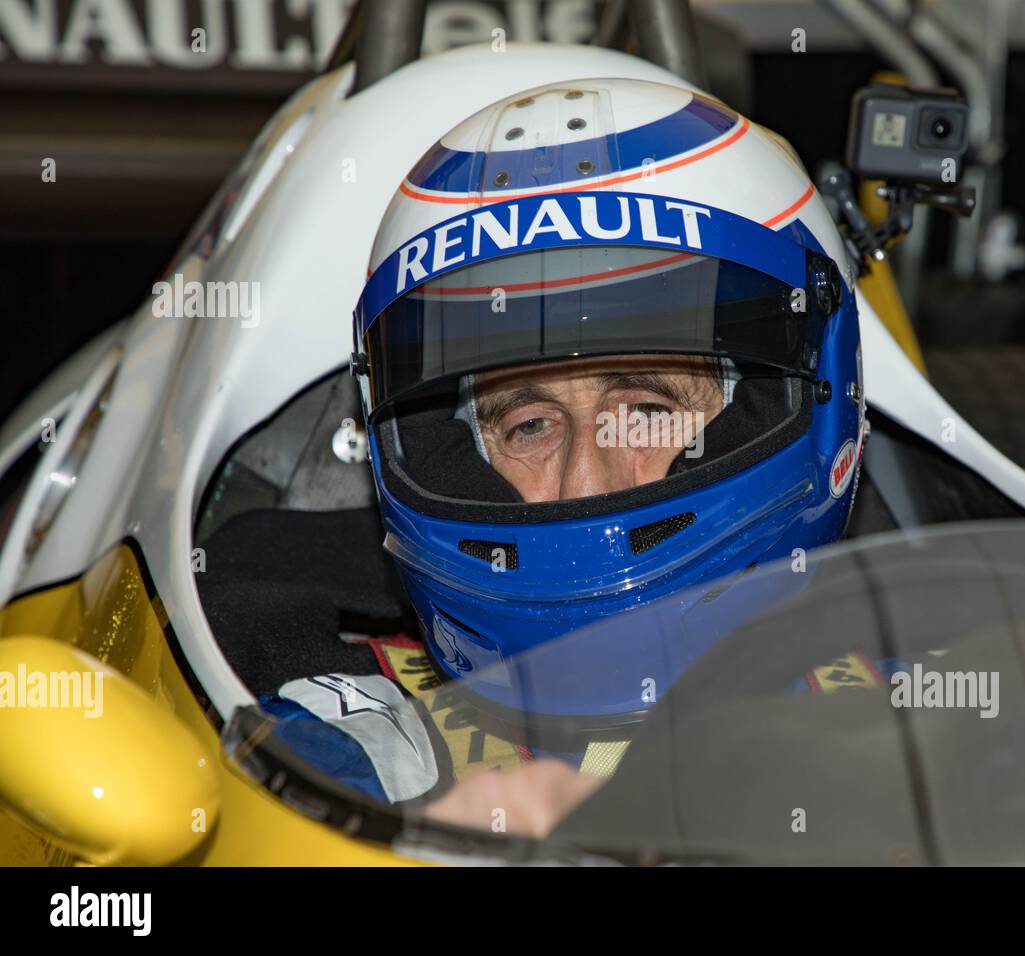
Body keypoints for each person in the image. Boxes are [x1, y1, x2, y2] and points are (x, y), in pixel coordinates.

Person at [263, 77, 867, 836]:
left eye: (646, 411)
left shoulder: (924, 724)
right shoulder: (362, 753)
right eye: (528, 426)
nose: (584, 478)